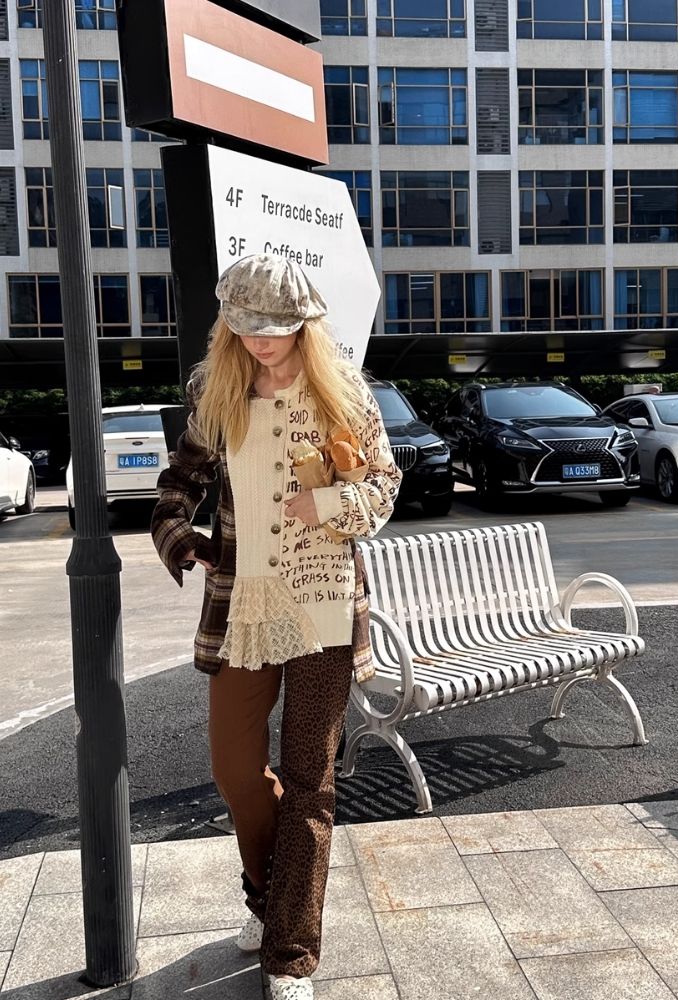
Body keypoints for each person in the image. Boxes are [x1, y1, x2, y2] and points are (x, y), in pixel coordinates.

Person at [151, 253, 402, 1000]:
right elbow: (178, 484)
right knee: (235, 769)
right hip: (244, 604)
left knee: (309, 780)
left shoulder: (342, 393)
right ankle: (269, 898)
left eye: (276, 328)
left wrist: (326, 505)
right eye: (246, 326)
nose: (261, 341)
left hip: (324, 604)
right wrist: (180, 537)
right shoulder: (217, 391)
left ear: (304, 324)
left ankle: (290, 952)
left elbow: (384, 485)